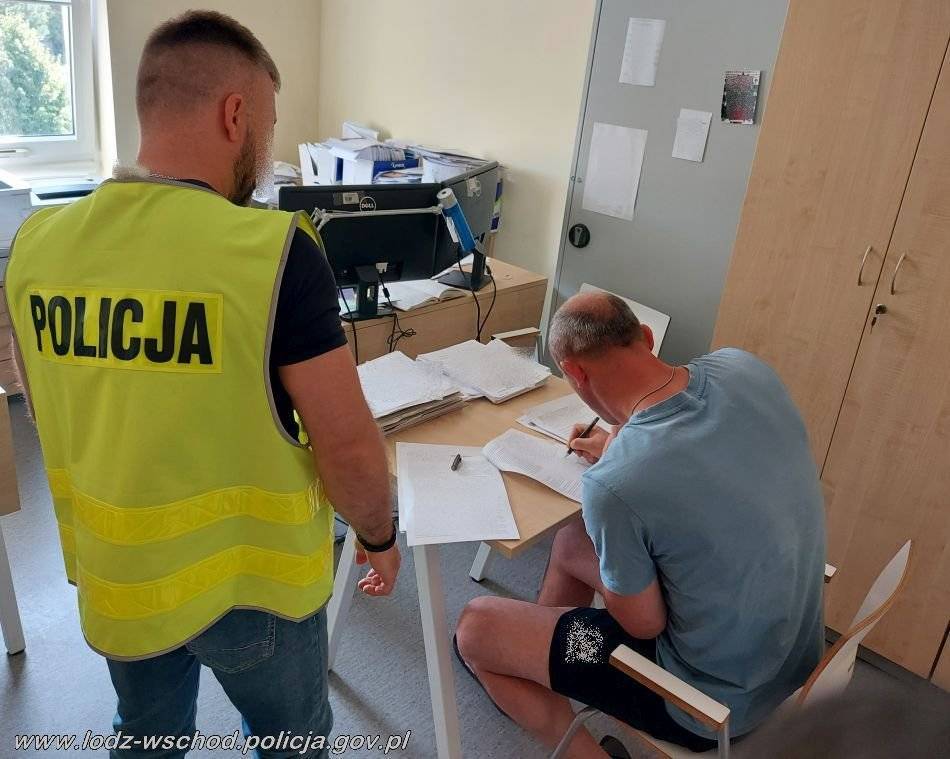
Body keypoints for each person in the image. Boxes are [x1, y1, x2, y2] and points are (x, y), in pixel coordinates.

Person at [4, 11, 399, 759]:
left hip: (121, 580)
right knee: (290, 743)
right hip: (255, 586)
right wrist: (378, 536)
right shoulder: (272, 252)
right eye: (269, 126)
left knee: (147, 739)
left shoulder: (37, 245)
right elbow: (347, 444)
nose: (267, 150)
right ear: (235, 114)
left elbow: (45, 394)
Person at [455, 291, 826, 758]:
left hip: (704, 701)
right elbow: (698, 455)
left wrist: (619, 473)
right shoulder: (744, 368)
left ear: (574, 372)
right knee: (571, 542)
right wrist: (621, 446)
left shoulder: (616, 485)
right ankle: (547, 661)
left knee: (475, 628)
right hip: (793, 661)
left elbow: (643, 624)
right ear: (647, 339)